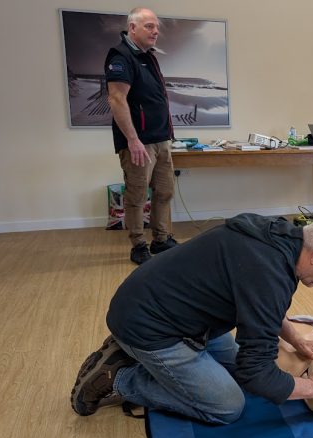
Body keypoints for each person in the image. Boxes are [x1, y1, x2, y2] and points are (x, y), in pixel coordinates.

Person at [70, 214, 313, 425]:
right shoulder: (269, 275)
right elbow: (256, 372)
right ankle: (118, 377)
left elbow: (260, 303)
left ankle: (131, 356)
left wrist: (295, 338)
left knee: (238, 373)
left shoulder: (279, 235)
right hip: (149, 326)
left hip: (164, 305)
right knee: (228, 406)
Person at [105, 7, 178, 265]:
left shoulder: (148, 56)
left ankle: (160, 239)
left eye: (156, 27)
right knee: (137, 196)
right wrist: (133, 140)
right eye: (149, 26)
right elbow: (116, 99)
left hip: (160, 140)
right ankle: (138, 245)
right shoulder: (121, 56)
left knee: (165, 191)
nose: (155, 31)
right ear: (132, 28)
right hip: (139, 144)